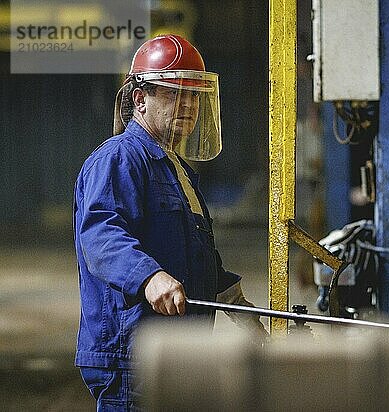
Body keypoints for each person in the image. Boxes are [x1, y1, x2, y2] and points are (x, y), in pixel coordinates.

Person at [73, 34, 267, 410]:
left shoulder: (176, 170)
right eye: (173, 93)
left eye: (194, 95)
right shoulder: (119, 159)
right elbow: (101, 234)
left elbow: (197, 255)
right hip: (133, 356)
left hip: (177, 350)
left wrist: (240, 307)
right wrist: (149, 277)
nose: (188, 106)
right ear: (139, 98)